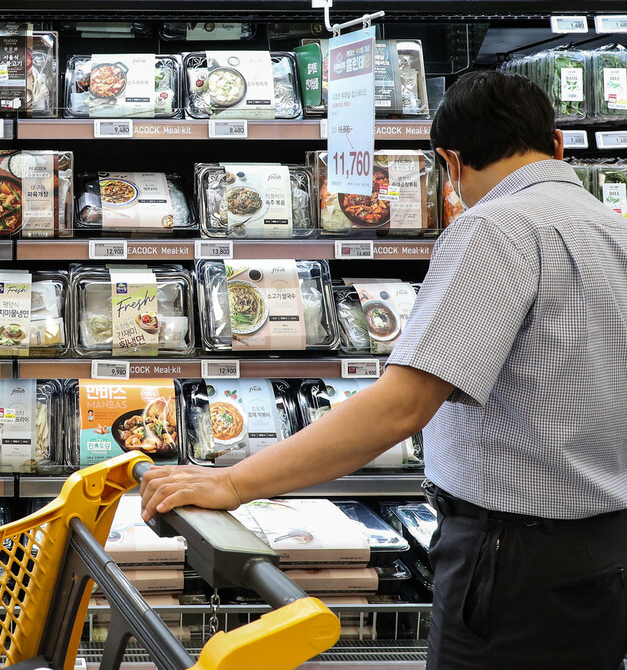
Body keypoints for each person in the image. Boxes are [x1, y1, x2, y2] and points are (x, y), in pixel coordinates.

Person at [140, 70, 627, 670]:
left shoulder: (494, 227)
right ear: (557, 144)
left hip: (512, 557)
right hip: (602, 547)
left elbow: (403, 405)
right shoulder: (615, 230)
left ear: (450, 162)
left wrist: (234, 483)